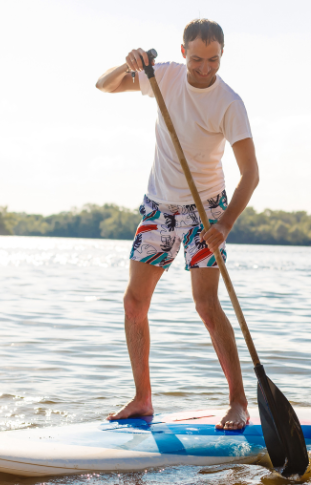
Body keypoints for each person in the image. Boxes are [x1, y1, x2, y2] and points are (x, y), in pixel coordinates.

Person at [95, 19, 260, 430]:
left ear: (222, 55)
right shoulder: (161, 74)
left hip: (205, 212)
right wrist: (126, 64)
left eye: (214, 60)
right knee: (134, 303)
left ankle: (238, 401)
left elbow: (251, 174)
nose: (205, 67)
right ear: (183, 51)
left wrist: (225, 225)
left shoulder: (229, 103)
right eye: (198, 59)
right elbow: (105, 86)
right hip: (158, 210)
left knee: (206, 305)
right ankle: (142, 399)